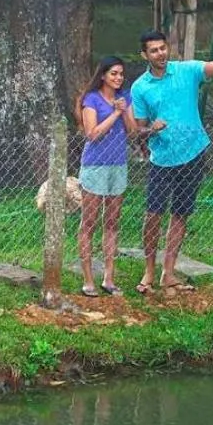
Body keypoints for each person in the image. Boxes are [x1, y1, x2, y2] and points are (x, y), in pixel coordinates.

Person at [129, 29, 213, 294]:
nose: (160, 53)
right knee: (153, 215)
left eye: (162, 48)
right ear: (145, 55)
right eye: (154, 50)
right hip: (161, 159)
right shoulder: (140, 87)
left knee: (180, 214)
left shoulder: (187, 71)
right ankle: (149, 271)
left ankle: (169, 273)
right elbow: (137, 129)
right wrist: (152, 127)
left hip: (194, 153)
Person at [77, 55, 134, 297]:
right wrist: (114, 113)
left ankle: (109, 278)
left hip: (118, 165)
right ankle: (88, 278)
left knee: (112, 222)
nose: (118, 78)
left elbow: (132, 130)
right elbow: (92, 134)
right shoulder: (91, 100)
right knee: (89, 222)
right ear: (103, 76)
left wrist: (124, 111)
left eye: (121, 74)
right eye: (113, 74)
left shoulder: (125, 98)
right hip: (95, 166)